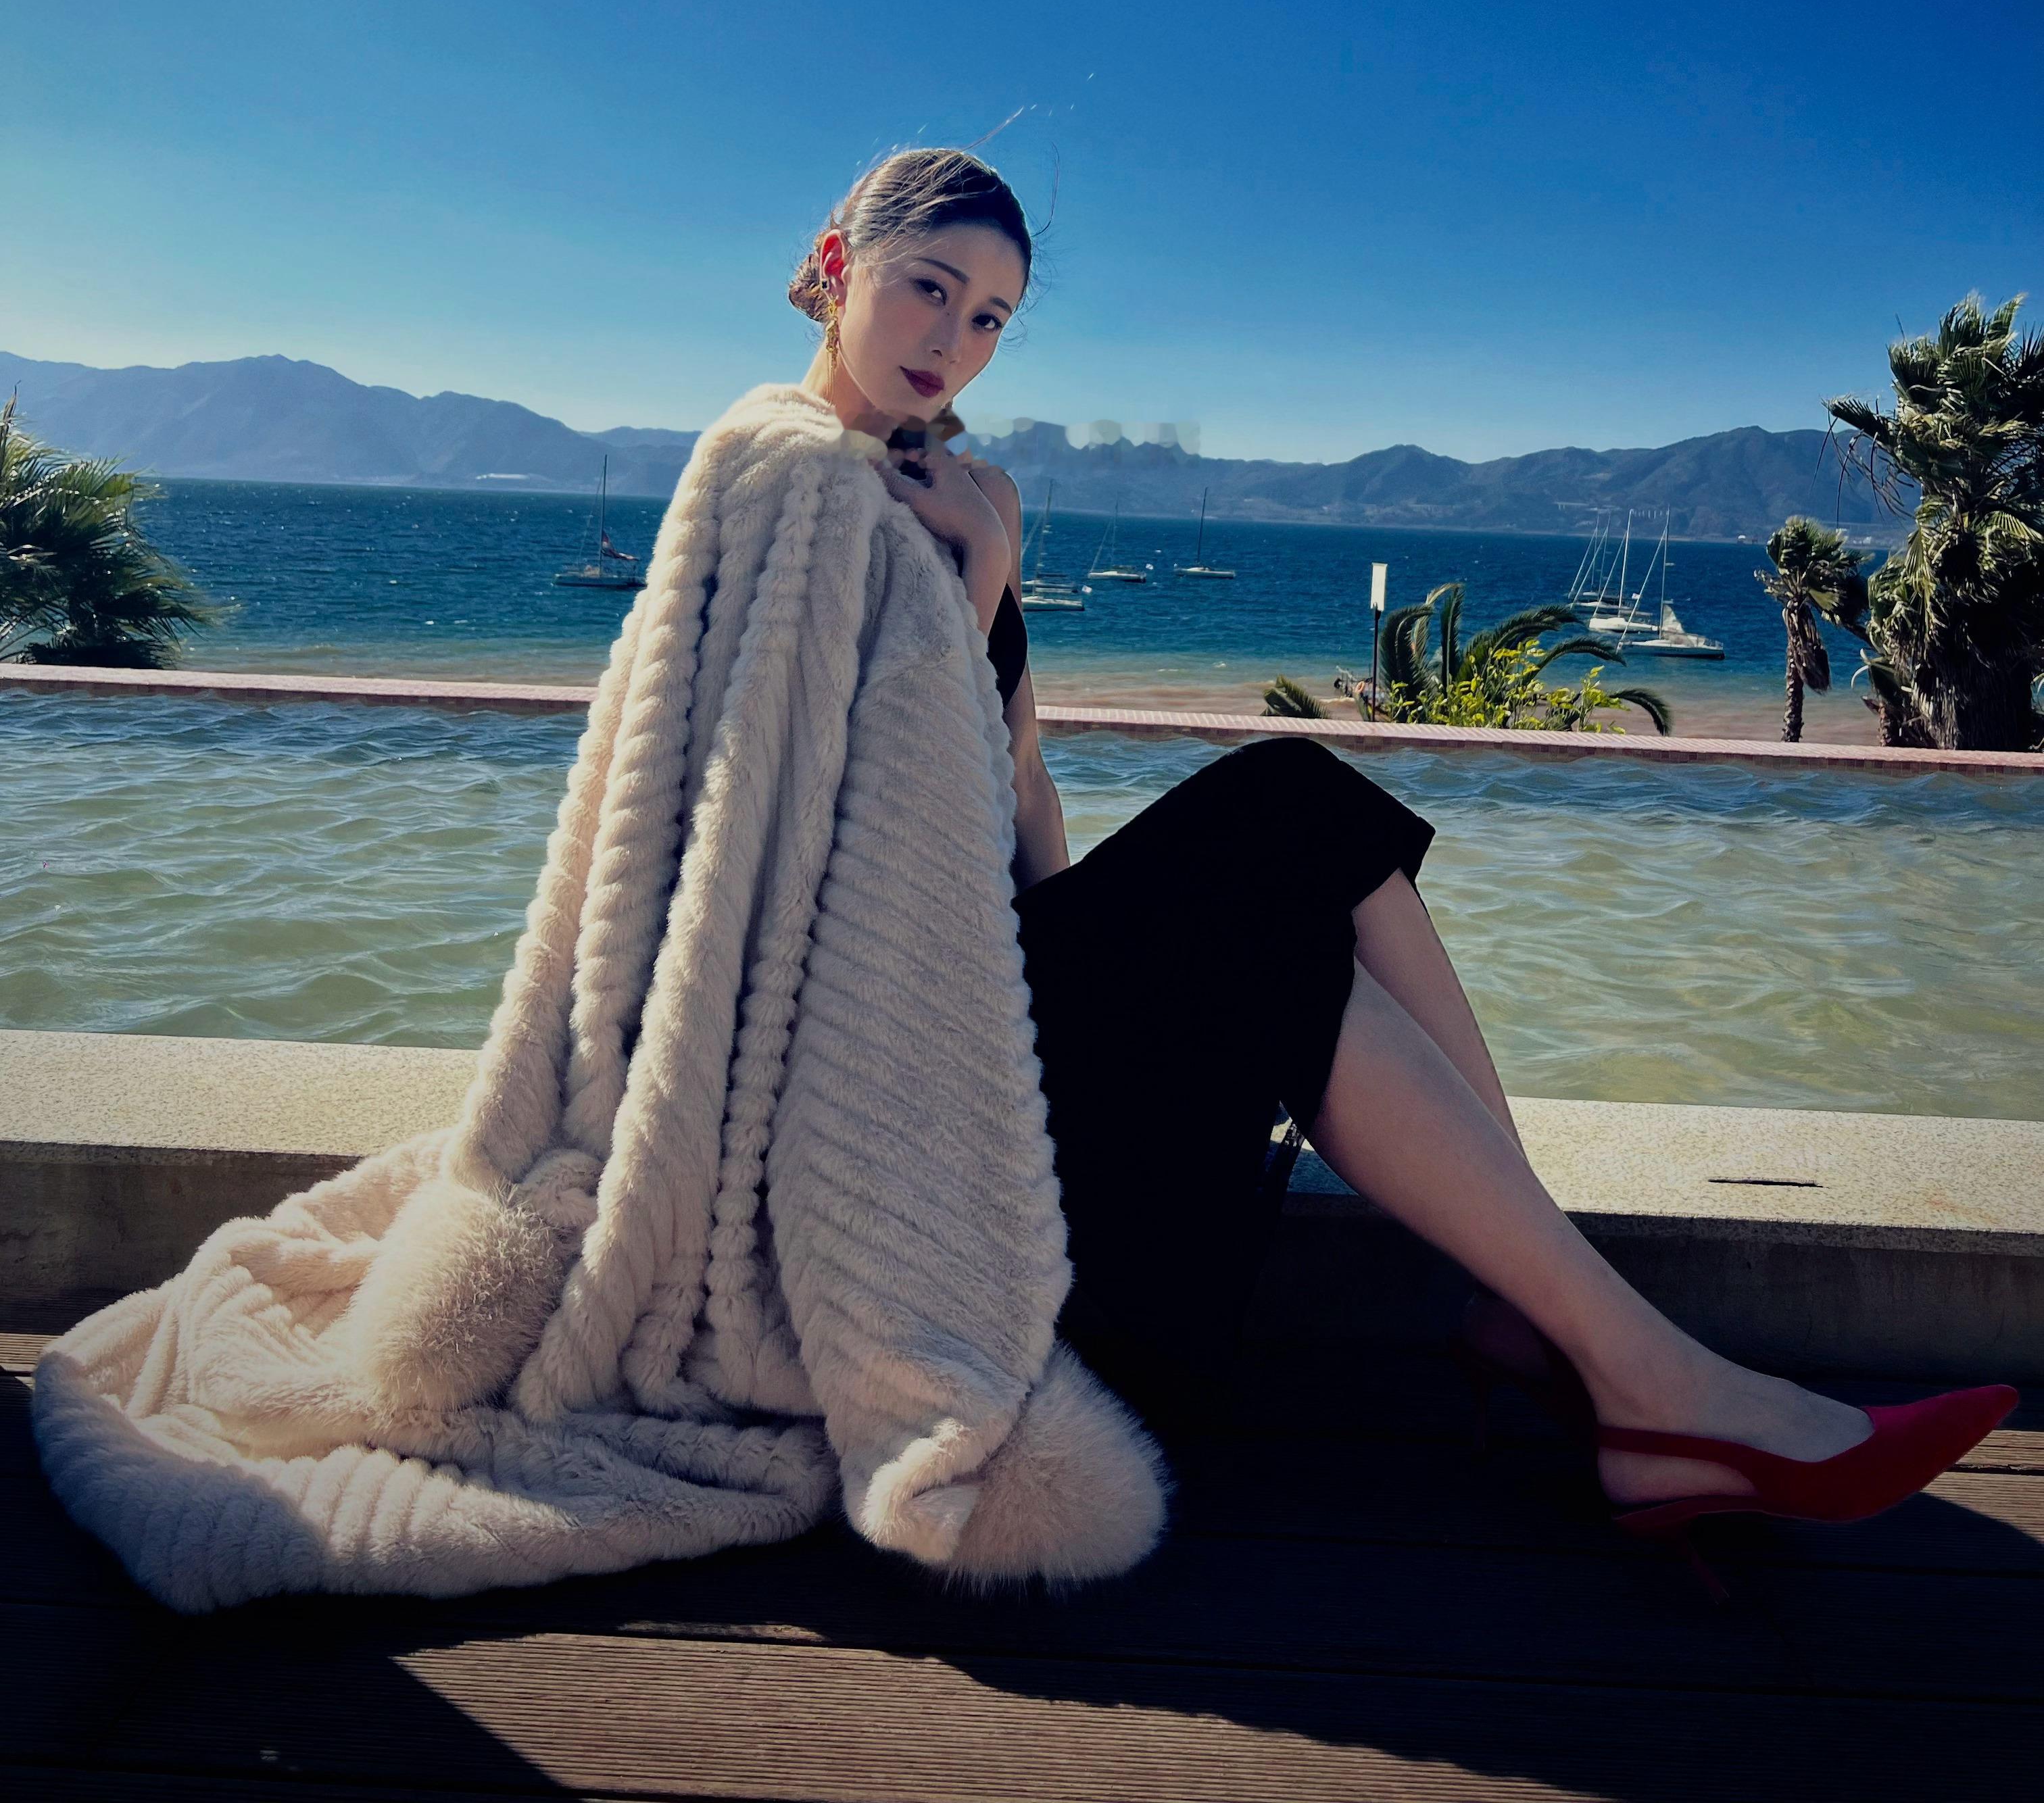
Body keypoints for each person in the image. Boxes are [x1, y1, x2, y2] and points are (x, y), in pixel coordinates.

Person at [789, 144, 2012, 1540]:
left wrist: (1084, 972)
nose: (954, 340)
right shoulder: (781, 501)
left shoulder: (973, 498)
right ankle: (1631, 1371)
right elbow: (837, 841)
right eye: (928, 288)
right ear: (837, 267)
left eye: (992, 316)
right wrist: (979, 593)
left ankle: (1544, 1308)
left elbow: (1017, 792)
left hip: (1005, 1015)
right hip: (900, 1050)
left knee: (1297, 804)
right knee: (1272, 855)